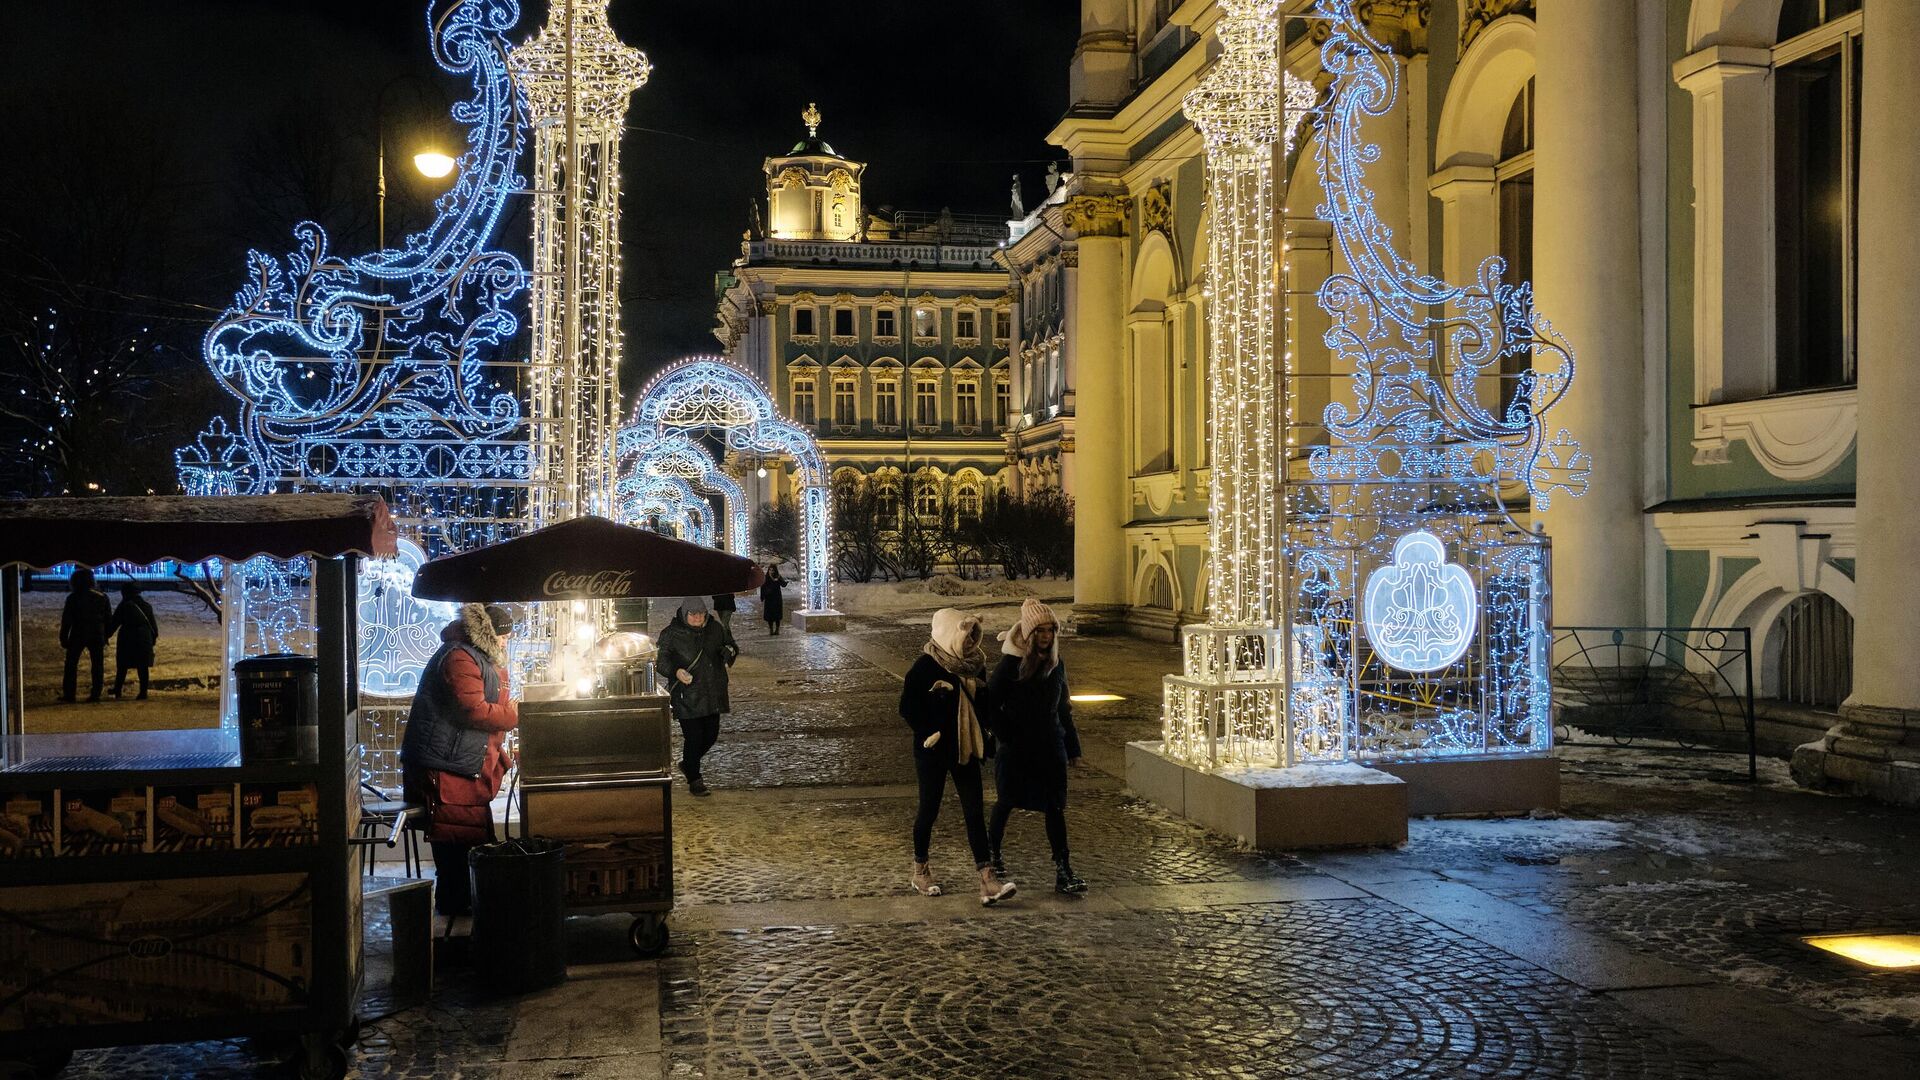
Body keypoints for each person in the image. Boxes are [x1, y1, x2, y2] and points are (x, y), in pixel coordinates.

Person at [400, 603, 519, 919]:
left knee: (470, 837)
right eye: (504, 636)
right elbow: (474, 710)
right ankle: (455, 906)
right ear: (489, 634)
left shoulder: (476, 656)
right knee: (454, 838)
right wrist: (516, 716)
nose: (507, 642)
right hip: (446, 766)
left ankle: (466, 902)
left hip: (461, 763)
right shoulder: (459, 656)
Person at [901, 608, 1015, 906]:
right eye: (966, 637)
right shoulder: (925, 666)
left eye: (974, 638)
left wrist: (991, 732)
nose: (970, 644)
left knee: (974, 812)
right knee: (929, 809)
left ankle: (987, 879)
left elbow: (983, 705)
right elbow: (907, 706)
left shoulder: (975, 666)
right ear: (950, 634)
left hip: (965, 748)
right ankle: (920, 868)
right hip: (933, 750)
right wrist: (929, 731)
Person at [988, 599, 1087, 894]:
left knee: (1055, 807)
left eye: (1050, 630)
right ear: (1029, 634)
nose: (1046, 636)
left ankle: (1063, 870)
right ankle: (994, 857)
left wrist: (1073, 749)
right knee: (1006, 801)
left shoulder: (1056, 664)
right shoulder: (1010, 664)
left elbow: (1064, 708)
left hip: (1049, 746)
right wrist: (1006, 735)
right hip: (1017, 748)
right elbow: (991, 704)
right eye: (1040, 631)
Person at [656, 596, 738, 797]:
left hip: (712, 692)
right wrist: (676, 671)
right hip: (687, 695)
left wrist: (728, 652)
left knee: (711, 735)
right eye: (693, 614)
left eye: (701, 613)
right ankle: (695, 780)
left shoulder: (715, 628)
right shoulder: (670, 634)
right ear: (685, 614)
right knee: (693, 738)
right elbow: (661, 661)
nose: (698, 617)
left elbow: (732, 646)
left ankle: (688, 764)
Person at [59, 567, 112, 704]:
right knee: (97, 664)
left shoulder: (73, 598)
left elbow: (67, 620)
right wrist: (105, 635)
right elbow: (108, 619)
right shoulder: (102, 597)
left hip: (79, 632)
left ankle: (70, 693)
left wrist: (64, 637)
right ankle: (96, 693)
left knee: (71, 664)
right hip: (96, 633)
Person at [107, 583, 159, 700]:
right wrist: (152, 639)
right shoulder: (147, 606)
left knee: (122, 665)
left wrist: (106, 636)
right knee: (142, 666)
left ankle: (117, 689)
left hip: (128, 638)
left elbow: (114, 623)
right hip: (144, 637)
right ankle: (143, 692)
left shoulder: (124, 605)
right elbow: (153, 626)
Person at [759, 563, 787, 636]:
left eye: (773, 570)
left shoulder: (778, 576)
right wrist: (762, 596)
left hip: (777, 598)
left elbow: (783, 584)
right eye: (770, 570)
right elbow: (763, 587)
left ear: (775, 570)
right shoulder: (766, 578)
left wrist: (781, 580)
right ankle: (771, 629)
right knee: (770, 616)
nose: (771, 571)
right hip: (769, 599)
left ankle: (777, 629)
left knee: (777, 615)